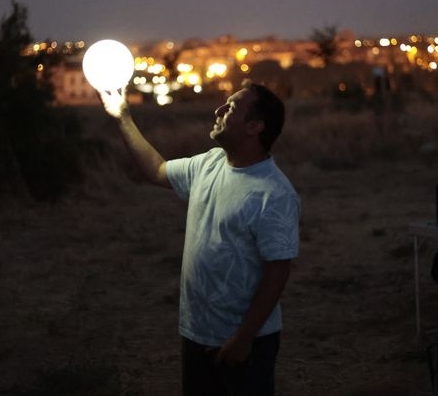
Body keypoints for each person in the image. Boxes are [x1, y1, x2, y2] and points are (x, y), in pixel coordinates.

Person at [99, 80, 300, 396]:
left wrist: (244, 339)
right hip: (197, 332)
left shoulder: (272, 193)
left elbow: (278, 271)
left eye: (231, 106)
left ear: (254, 126)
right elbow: (156, 169)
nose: (218, 110)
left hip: (245, 342)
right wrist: (123, 117)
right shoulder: (209, 163)